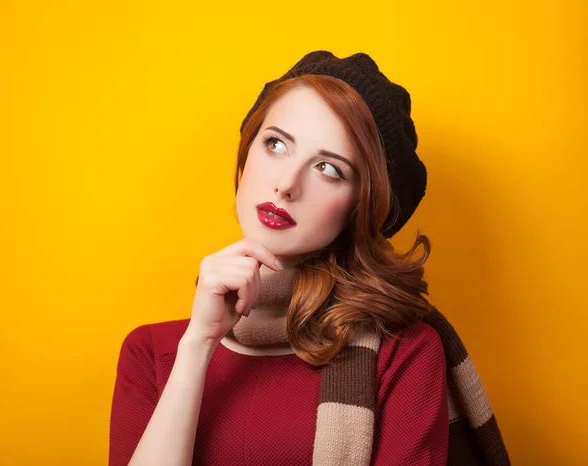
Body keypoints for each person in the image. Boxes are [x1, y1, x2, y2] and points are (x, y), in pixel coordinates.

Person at [109, 51, 510, 466]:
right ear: (246, 152)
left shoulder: (403, 354)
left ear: (360, 206)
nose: (285, 184)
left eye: (328, 168)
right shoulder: (152, 354)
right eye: (276, 144)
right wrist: (198, 344)